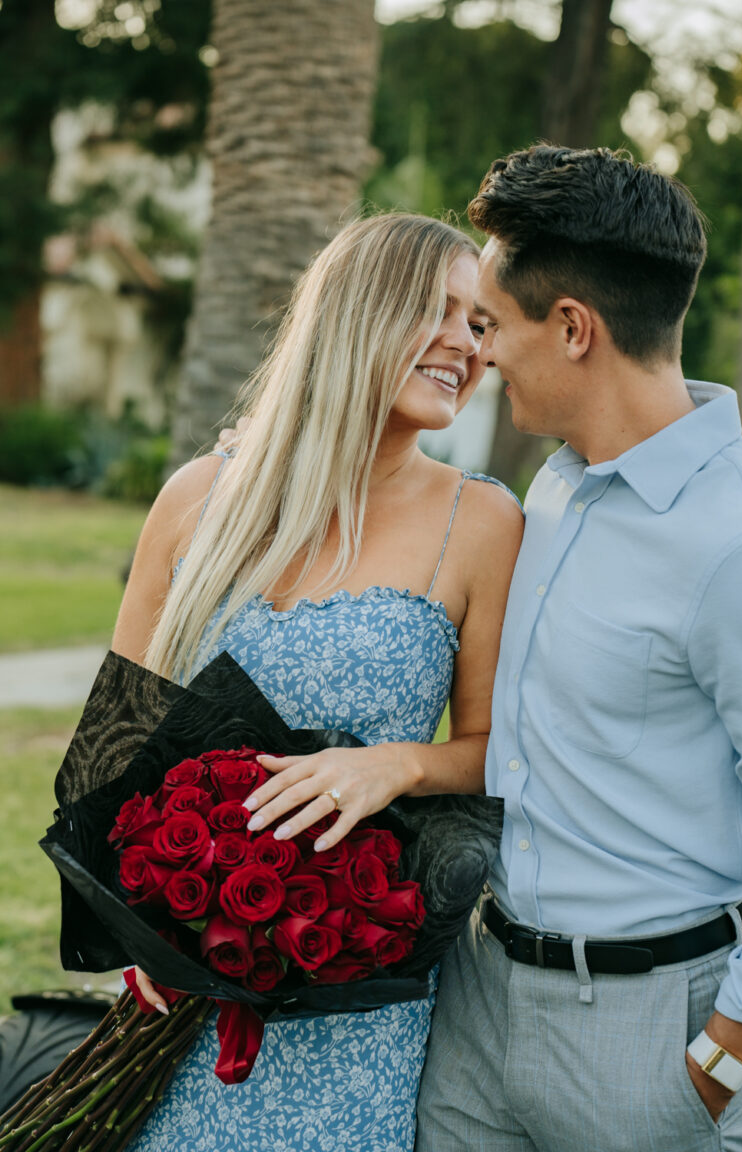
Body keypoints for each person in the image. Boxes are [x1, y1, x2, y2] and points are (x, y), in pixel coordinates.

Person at [110, 211, 524, 1152]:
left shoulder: (485, 523)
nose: (468, 345)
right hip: (177, 979)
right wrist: (131, 931)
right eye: (442, 313)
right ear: (358, 318)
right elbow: (121, 738)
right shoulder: (199, 500)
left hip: (356, 1007)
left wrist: (398, 767)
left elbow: (501, 751)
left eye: (480, 325)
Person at [416, 144, 742, 1152]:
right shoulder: (557, 483)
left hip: (649, 1038)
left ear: (573, 328)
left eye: (490, 326)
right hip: (477, 1013)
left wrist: (724, 1061)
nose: (478, 355)